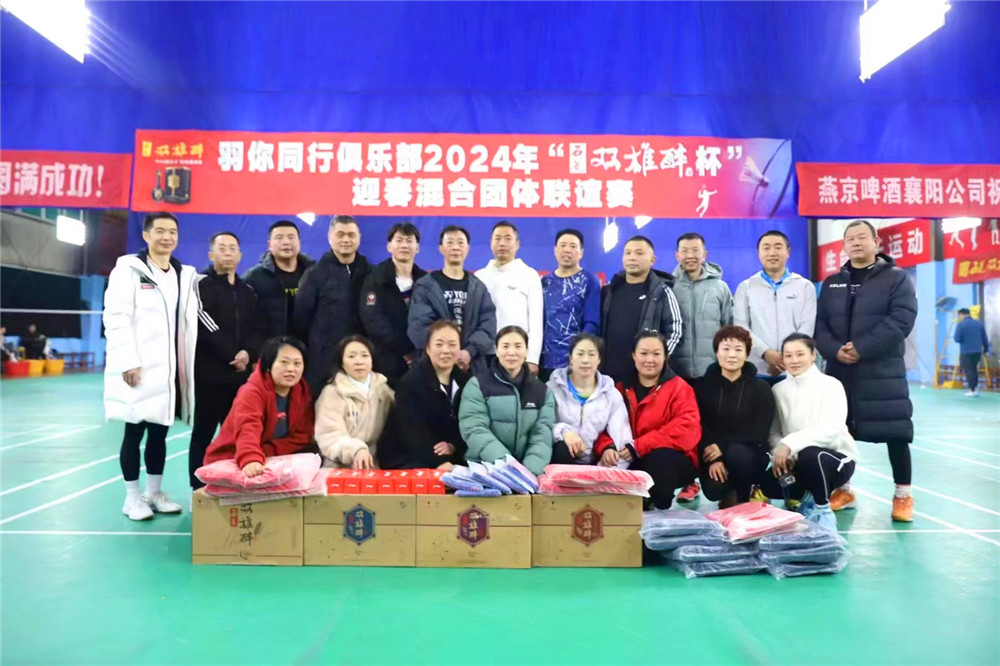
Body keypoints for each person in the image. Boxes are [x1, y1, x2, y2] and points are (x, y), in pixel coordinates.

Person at [815, 220, 917, 522]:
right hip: (840, 372)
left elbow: (901, 319)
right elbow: (820, 325)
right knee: (840, 432)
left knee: (896, 432)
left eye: (862, 237)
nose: (856, 243)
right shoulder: (832, 282)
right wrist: (834, 350)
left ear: (876, 242)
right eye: (850, 239)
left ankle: (903, 495)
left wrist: (862, 347)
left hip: (884, 372)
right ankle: (844, 489)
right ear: (843, 246)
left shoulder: (897, 278)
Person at [103, 212, 198, 520]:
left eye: (172, 232)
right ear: (146, 236)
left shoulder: (183, 274)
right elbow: (116, 318)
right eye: (160, 231)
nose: (166, 237)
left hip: (168, 373)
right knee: (134, 431)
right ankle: (132, 498)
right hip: (138, 369)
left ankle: (154, 493)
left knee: (159, 434)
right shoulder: (128, 270)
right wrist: (129, 361)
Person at [188, 232, 265, 489]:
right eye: (222, 248)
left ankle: (229, 487)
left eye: (233, 248)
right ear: (211, 254)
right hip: (209, 376)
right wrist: (232, 353)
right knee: (203, 433)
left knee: (235, 434)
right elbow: (204, 322)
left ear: (240, 255)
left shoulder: (248, 291)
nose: (228, 253)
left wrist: (248, 353)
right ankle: (198, 489)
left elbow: (257, 328)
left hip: (240, 378)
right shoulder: (200, 285)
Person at [763, 333, 860, 533]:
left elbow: (832, 430)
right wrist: (784, 454)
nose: (794, 360)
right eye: (788, 355)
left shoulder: (831, 385)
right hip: (799, 460)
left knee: (811, 455)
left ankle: (822, 509)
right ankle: (807, 498)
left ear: (813, 355)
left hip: (836, 459)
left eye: (800, 354)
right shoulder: (778, 389)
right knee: (768, 483)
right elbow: (774, 432)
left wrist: (790, 444)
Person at [202, 336, 315, 476]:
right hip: (233, 458)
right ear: (268, 366)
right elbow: (248, 428)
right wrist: (250, 458)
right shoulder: (251, 392)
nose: (291, 369)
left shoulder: (303, 392)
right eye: (284, 362)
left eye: (297, 363)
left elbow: (303, 435)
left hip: (273, 458)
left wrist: (267, 451)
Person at [614, 331, 701, 509]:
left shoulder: (680, 388)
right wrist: (607, 447)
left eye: (656, 354)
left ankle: (659, 504)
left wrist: (640, 446)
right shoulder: (620, 388)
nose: (650, 360)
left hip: (671, 460)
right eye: (643, 353)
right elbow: (602, 423)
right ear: (634, 355)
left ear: (665, 357)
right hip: (629, 456)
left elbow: (687, 429)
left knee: (661, 459)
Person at [694, 326, 775, 507]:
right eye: (726, 349)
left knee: (737, 455)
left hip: (748, 453)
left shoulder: (760, 388)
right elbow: (699, 424)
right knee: (714, 489)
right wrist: (715, 458)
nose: (732, 355)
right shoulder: (703, 387)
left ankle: (744, 497)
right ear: (717, 352)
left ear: (747, 354)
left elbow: (760, 433)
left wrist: (722, 447)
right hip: (713, 453)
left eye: (738, 349)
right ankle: (728, 492)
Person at [459, 326, 555, 475]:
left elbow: (542, 435)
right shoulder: (477, 385)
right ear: (496, 350)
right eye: (505, 346)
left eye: (518, 346)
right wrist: (507, 466)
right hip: (485, 468)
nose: (511, 352)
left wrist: (529, 473)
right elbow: (474, 428)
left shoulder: (542, 391)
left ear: (526, 351)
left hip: (527, 473)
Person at [378, 320, 470, 470]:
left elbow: (469, 422)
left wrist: (454, 445)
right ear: (428, 348)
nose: (446, 350)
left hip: (452, 455)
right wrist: (439, 461)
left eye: (452, 344)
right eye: (439, 344)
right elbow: (413, 431)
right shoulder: (411, 382)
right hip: (410, 456)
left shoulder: (466, 381)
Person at [295, 215, 372, 392]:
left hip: (360, 358)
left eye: (351, 235)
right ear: (330, 237)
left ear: (359, 237)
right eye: (340, 234)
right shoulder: (314, 274)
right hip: (323, 359)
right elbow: (301, 318)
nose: (346, 240)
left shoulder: (370, 272)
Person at [408, 225, 497, 374]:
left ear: (467, 248)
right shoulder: (425, 285)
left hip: (472, 366)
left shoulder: (478, 287)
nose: (456, 247)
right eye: (450, 242)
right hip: (433, 366)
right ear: (441, 248)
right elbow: (418, 326)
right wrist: (447, 351)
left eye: (460, 242)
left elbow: (488, 325)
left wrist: (469, 351)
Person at [733, 230, 816, 383]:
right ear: (758, 253)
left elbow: (807, 325)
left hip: (796, 369)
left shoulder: (805, 286)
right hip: (756, 370)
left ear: (788, 252)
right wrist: (766, 353)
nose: (772, 253)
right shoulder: (746, 287)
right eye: (766, 248)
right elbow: (741, 327)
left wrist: (788, 356)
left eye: (778, 247)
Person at [601, 235, 683, 384]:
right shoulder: (608, 290)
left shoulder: (662, 292)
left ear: (652, 260)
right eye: (628, 253)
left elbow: (675, 331)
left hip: (644, 378)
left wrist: (655, 359)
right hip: (608, 376)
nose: (632, 257)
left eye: (639, 253)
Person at [546, 334, 632, 466]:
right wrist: (563, 431)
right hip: (559, 461)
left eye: (591, 354)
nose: (585, 360)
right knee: (561, 449)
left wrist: (604, 470)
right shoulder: (552, 389)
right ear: (571, 358)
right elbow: (541, 427)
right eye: (580, 354)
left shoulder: (611, 395)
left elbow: (622, 441)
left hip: (595, 465)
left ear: (599, 360)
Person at [359, 222, 427, 388]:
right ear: (389, 246)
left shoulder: (426, 281)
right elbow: (372, 318)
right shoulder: (375, 278)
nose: (404, 245)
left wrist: (418, 348)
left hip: (420, 358)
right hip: (385, 359)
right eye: (399, 240)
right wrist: (403, 347)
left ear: (417, 248)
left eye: (409, 241)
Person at [314, 335, 394, 469]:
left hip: (373, 463)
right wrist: (356, 450)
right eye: (351, 356)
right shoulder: (332, 392)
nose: (359, 362)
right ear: (341, 362)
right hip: (338, 466)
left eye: (364, 355)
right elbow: (329, 435)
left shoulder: (382, 389)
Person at [476, 221, 544, 375]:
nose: (502, 243)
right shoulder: (480, 276)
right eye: (497, 238)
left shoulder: (529, 275)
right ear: (491, 243)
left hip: (516, 353)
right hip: (485, 353)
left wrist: (532, 358)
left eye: (508, 239)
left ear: (517, 244)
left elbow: (536, 321)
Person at [540, 228, 601, 382]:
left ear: (581, 252)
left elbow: (591, 323)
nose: (567, 250)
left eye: (573, 246)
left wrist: (579, 354)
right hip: (545, 362)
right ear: (555, 250)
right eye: (563, 245)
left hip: (575, 363)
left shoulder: (589, 281)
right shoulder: (544, 282)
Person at [669, 232, 733, 380]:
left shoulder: (720, 287)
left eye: (695, 250)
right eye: (685, 251)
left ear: (704, 254)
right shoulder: (669, 287)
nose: (690, 255)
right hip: (676, 373)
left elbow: (729, 327)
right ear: (677, 256)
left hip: (713, 371)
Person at [243, 220, 315, 339]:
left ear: (299, 243)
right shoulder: (253, 278)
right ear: (269, 244)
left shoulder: (314, 274)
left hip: (309, 345)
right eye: (279, 238)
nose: (286, 242)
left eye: (291, 237)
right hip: (271, 346)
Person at [954, 307, 991, 397]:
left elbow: (957, 339)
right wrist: (986, 349)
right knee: (974, 369)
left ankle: (972, 389)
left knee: (969, 370)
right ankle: (975, 388)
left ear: (961, 314)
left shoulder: (961, 325)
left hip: (966, 351)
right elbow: (984, 338)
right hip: (977, 352)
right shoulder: (979, 324)